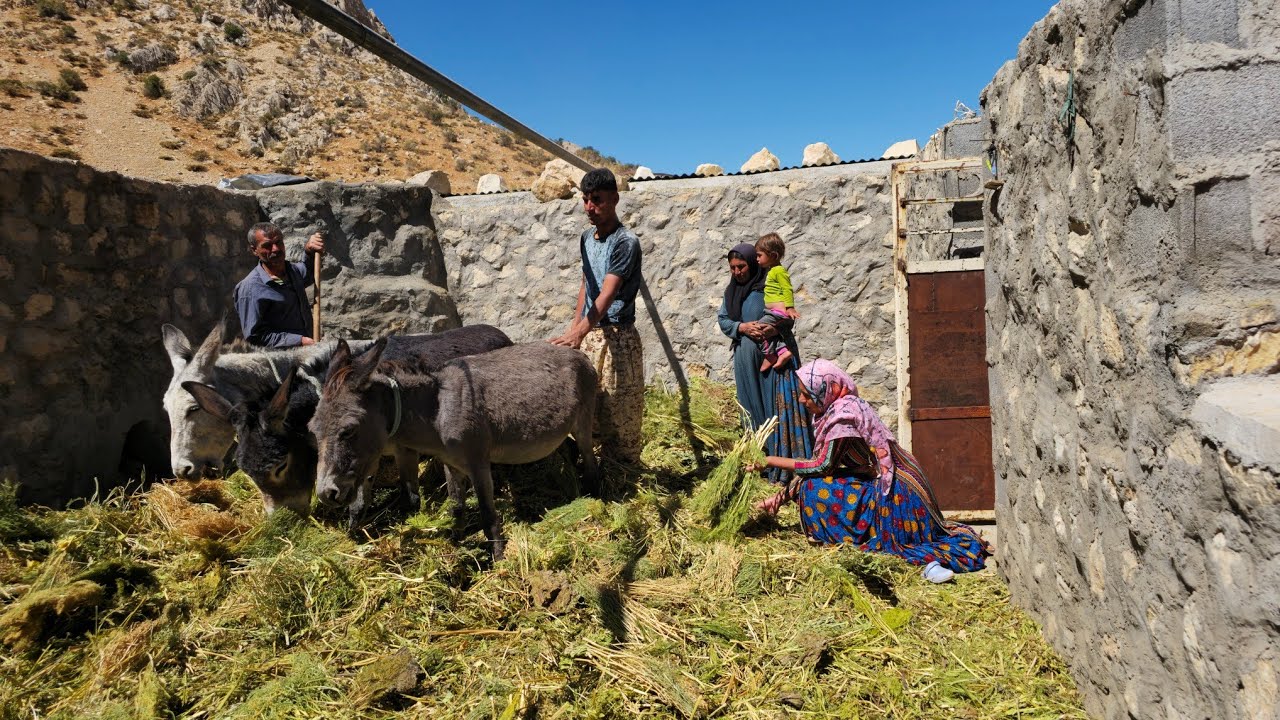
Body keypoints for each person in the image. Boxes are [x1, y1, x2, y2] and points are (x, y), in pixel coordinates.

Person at [748, 359, 989, 583]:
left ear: (823, 391)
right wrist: (778, 498)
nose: (801, 400)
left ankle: (925, 561)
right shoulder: (840, 408)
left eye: (804, 394)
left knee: (815, 489)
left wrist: (770, 460)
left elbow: (821, 466)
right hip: (892, 479)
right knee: (815, 484)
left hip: (897, 492)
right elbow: (822, 466)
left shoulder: (842, 419)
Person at [550, 168, 644, 464]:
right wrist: (576, 328)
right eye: (586, 200)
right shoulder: (585, 239)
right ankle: (590, 467)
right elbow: (586, 283)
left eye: (597, 200)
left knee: (619, 411)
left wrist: (579, 332)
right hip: (591, 333)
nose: (590, 207)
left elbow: (607, 293)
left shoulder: (625, 242)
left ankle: (624, 476)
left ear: (615, 199)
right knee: (588, 408)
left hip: (618, 339)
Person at [716, 242, 813, 484]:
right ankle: (759, 463)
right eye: (733, 268)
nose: (737, 272)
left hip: (776, 362)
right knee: (751, 407)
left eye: (741, 266)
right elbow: (724, 320)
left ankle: (784, 468)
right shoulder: (731, 294)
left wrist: (770, 329)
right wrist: (742, 327)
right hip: (746, 362)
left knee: (775, 408)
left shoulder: (769, 284)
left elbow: (786, 317)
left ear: (751, 264)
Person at [234, 222, 325, 348]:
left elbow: (310, 273)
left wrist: (309, 251)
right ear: (254, 250)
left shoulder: (293, 272)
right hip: (280, 362)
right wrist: (299, 340)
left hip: (307, 354)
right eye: (267, 245)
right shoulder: (250, 288)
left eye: (278, 242)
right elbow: (255, 336)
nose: (275, 249)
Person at [754, 232, 799, 371]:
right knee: (767, 332)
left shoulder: (779, 271)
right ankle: (781, 351)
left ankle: (770, 355)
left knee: (759, 330)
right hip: (773, 312)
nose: (757, 259)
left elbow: (787, 288)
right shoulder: (772, 270)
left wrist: (790, 307)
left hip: (778, 313)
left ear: (773, 256)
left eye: (759, 255)